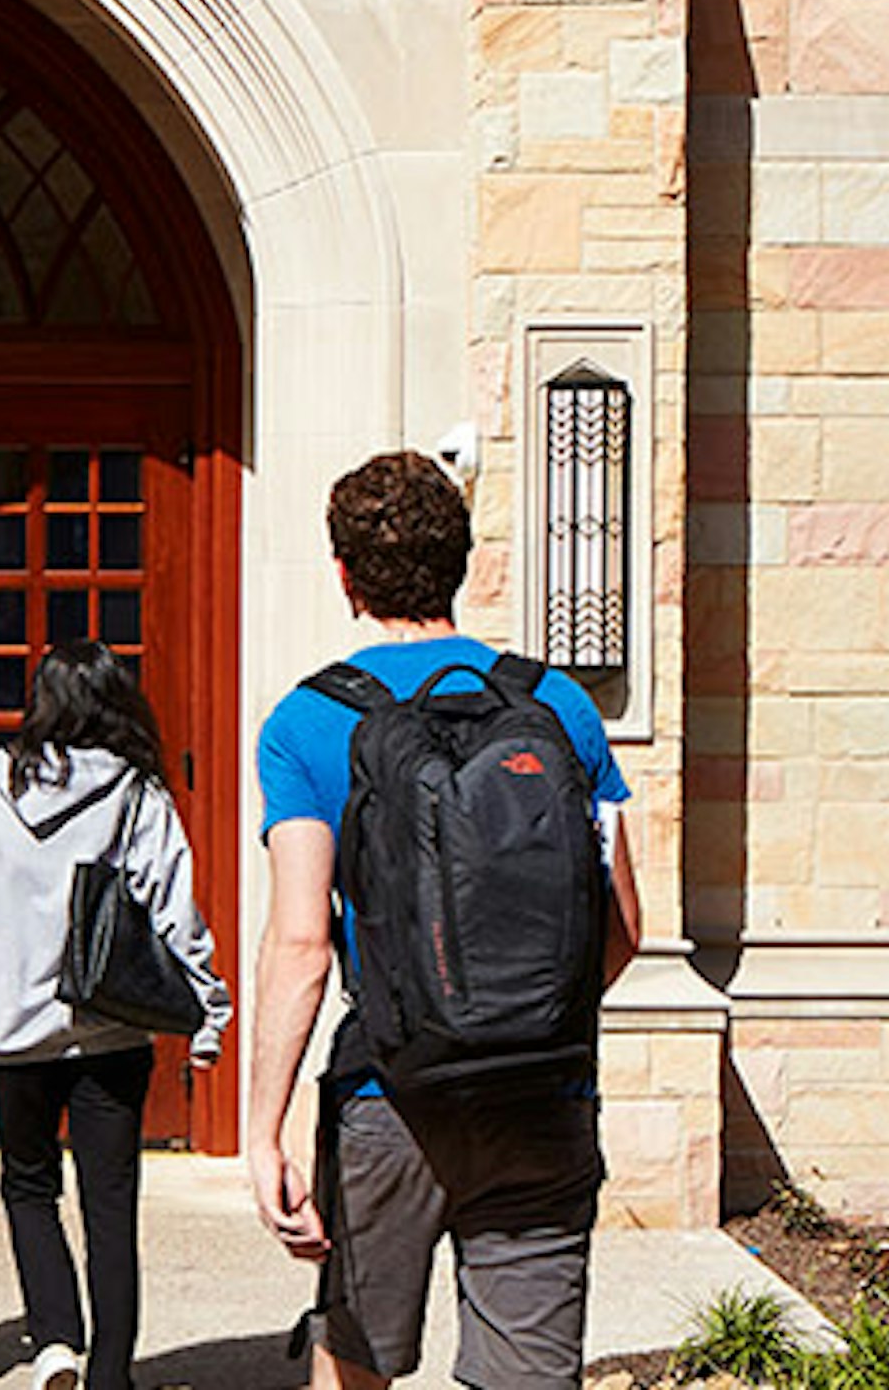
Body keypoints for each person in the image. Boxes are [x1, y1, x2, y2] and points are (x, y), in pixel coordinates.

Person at [244, 448, 642, 1390]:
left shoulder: (307, 723)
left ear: (343, 574)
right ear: (461, 560)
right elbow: (623, 919)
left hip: (390, 1098)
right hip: (543, 1098)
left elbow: (301, 942)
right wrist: (525, 1014)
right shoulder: (561, 705)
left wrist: (262, 1132)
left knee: (356, 1369)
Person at [0, 637, 230, 1390]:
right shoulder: (138, 793)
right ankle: (109, 1374)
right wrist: (207, 1012)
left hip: (14, 1028)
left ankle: (56, 1341)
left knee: (28, 1184)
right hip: (111, 1027)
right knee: (111, 1204)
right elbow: (175, 914)